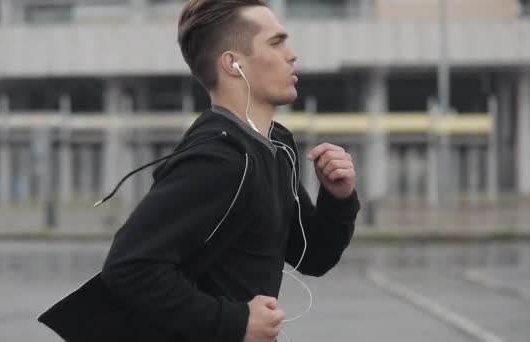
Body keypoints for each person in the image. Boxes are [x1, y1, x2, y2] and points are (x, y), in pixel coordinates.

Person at [38, 1, 359, 341]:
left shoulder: (274, 146)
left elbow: (313, 256)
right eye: (276, 43)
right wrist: (234, 322)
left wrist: (338, 197)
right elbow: (130, 266)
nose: (291, 55)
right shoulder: (219, 159)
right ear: (233, 63)